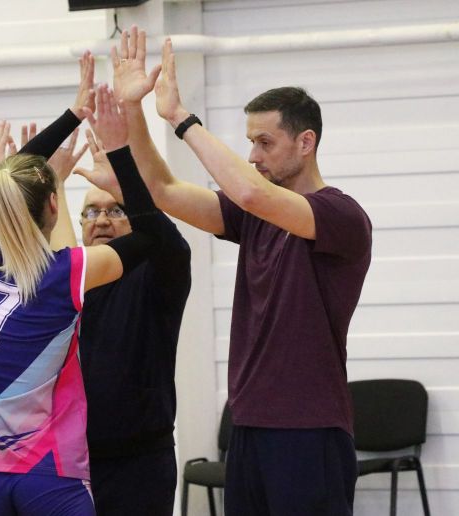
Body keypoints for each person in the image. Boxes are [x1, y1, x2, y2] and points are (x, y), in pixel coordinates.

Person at [93, 26, 371, 515]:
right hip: (248, 426)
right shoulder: (254, 216)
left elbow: (250, 192)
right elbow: (162, 190)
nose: (253, 156)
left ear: (306, 142)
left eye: (265, 142)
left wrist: (180, 117)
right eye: (250, 142)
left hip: (309, 429)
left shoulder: (340, 215)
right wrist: (135, 110)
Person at [0, 82, 162, 516]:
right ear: (54, 205)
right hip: (49, 470)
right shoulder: (68, 271)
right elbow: (150, 234)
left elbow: (7, 180)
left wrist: (71, 116)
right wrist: (119, 159)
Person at [73, 96, 191, 516]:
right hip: (71, 461)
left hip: (140, 462)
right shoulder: (68, 279)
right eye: (91, 212)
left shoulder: (156, 274)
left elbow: (168, 242)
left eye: (115, 209)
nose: (102, 220)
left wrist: (124, 174)